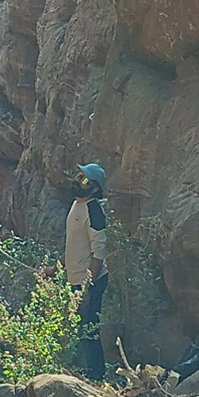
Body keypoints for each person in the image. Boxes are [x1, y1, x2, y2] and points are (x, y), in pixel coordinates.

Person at [65, 161, 109, 383]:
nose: (77, 181)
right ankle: (88, 372)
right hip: (77, 279)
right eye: (78, 175)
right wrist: (56, 269)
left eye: (83, 179)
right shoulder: (77, 206)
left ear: (94, 187)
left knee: (88, 328)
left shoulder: (94, 211)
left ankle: (97, 375)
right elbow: (75, 246)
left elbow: (98, 254)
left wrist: (87, 288)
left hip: (90, 280)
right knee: (80, 328)